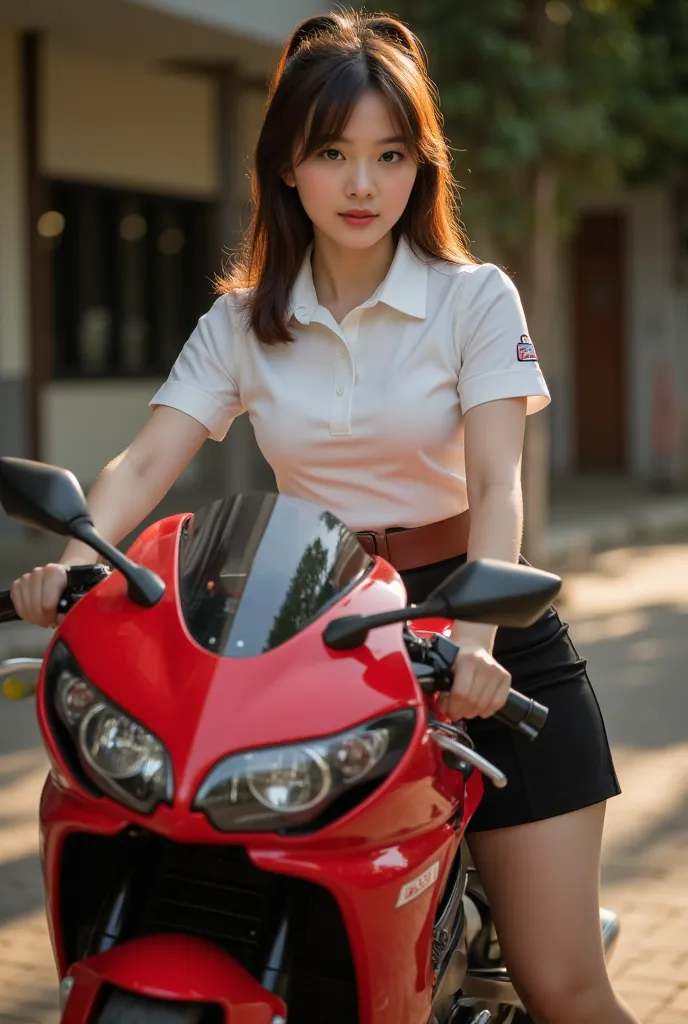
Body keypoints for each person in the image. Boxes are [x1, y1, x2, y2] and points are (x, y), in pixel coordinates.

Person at [11, 11, 637, 1024]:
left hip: (471, 616)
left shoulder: (473, 300)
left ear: (419, 170)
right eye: (332, 153)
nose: (361, 184)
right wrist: (74, 564)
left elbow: (498, 483)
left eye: (390, 155)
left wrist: (476, 645)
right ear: (286, 168)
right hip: (312, 628)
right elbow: (144, 463)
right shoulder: (242, 320)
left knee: (562, 984)